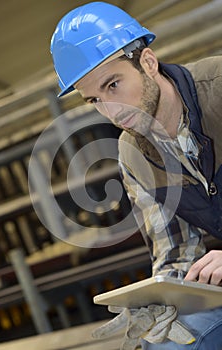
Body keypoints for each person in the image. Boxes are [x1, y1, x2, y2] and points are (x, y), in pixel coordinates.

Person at [50, 2, 222, 349]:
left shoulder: (218, 89)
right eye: (95, 100)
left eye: (113, 85)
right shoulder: (133, 156)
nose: (111, 111)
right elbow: (175, 252)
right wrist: (167, 299)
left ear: (147, 61)